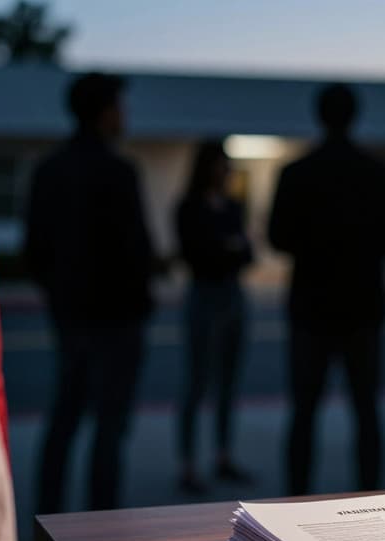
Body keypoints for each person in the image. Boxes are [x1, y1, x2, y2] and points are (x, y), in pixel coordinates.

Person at [268, 83, 385, 495]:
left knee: (304, 412)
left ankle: (295, 501)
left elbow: (277, 238)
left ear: (319, 116)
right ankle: (370, 499)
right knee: (366, 411)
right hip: (363, 307)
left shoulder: (295, 173)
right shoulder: (380, 172)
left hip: (310, 308)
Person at [25, 73, 153, 512]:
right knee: (109, 424)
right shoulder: (119, 172)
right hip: (117, 319)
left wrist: (60, 295)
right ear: (104, 112)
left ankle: (50, 513)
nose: (125, 115)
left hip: (70, 314)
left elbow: (34, 250)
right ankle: (102, 521)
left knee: (65, 414)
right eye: (120, 106)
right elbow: (137, 251)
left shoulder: (49, 169)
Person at [175, 140, 255, 493]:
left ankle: (222, 455)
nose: (225, 169)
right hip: (204, 297)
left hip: (232, 296)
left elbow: (246, 252)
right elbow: (197, 255)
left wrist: (226, 249)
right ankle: (188, 463)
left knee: (228, 380)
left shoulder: (234, 207)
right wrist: (228, 248)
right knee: (197, 381)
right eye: (219, 162)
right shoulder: (188, 207)